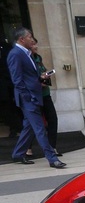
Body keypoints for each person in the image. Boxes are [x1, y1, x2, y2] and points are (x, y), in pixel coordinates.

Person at [7, 27, 65, 168]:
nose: (32, 39)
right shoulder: (16, 54)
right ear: (21, 39)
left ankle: (17, 154)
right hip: (28, 99)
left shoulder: (26, 53)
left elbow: (28, 76)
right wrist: (28, 97)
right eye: (29, 37)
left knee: (30, 127)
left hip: (33, 96)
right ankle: (52, 158)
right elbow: (17, 80)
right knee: (39, 128)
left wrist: (39, 78)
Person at [26, 38, 61, 157]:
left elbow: (42, 71)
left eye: (36, 44)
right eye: (33, 44)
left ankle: (52, 147)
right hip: (35, 96)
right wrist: (38, 81)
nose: (36, 46)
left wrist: (45, 75)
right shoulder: (26, 59)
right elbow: (26, 78)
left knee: (53, 119)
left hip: (45, 94)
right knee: (33, 123)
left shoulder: (38, 58)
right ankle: (27, 148)